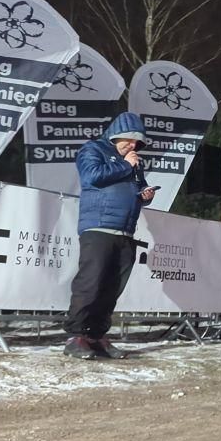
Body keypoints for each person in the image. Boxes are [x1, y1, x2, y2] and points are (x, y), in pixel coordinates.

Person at [63, 112, 155, 359]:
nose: (133, 145)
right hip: (98, 227)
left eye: (137, 142)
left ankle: (96, 336)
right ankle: (76, 336)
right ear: (116, 135)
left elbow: (137, 187)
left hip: (126, 230)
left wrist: (144, 194)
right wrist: (126, 164)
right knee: (91, 283)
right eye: (129, 139)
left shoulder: (135, 162)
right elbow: (92, 176)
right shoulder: (93, 149)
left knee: (112, 288)